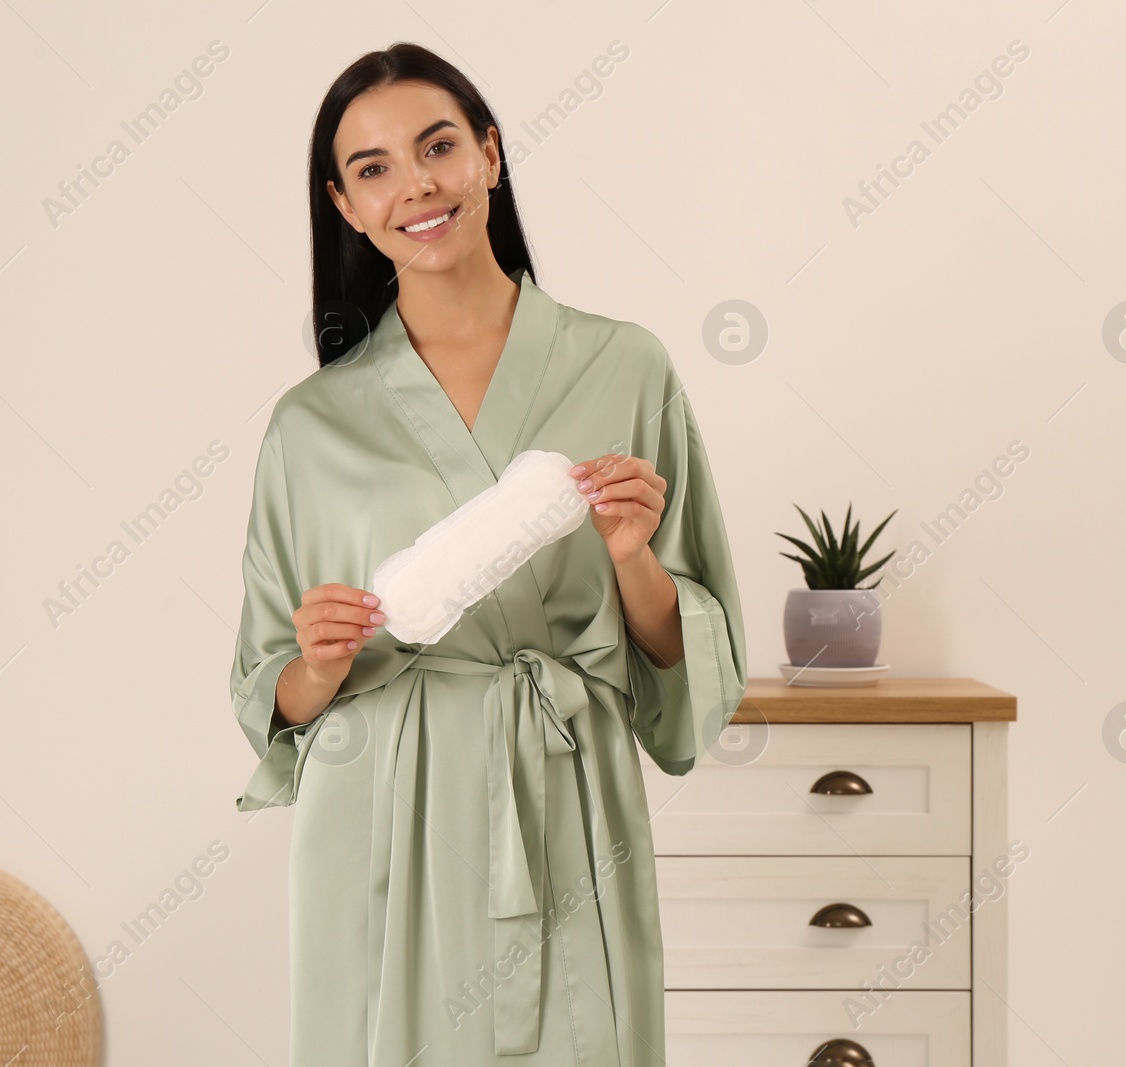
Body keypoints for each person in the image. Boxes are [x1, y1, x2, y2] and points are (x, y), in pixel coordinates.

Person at [229, 41, 747, 1066]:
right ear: (343, 204)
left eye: (438, 147)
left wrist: (633, 554)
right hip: (379, 796)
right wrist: (319, 662)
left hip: (562, 783)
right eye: (374, 168)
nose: (415, 185)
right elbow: (267, 692)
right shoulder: (311, 422)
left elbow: (687, 647)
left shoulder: (623, 364)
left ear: (490, 158)